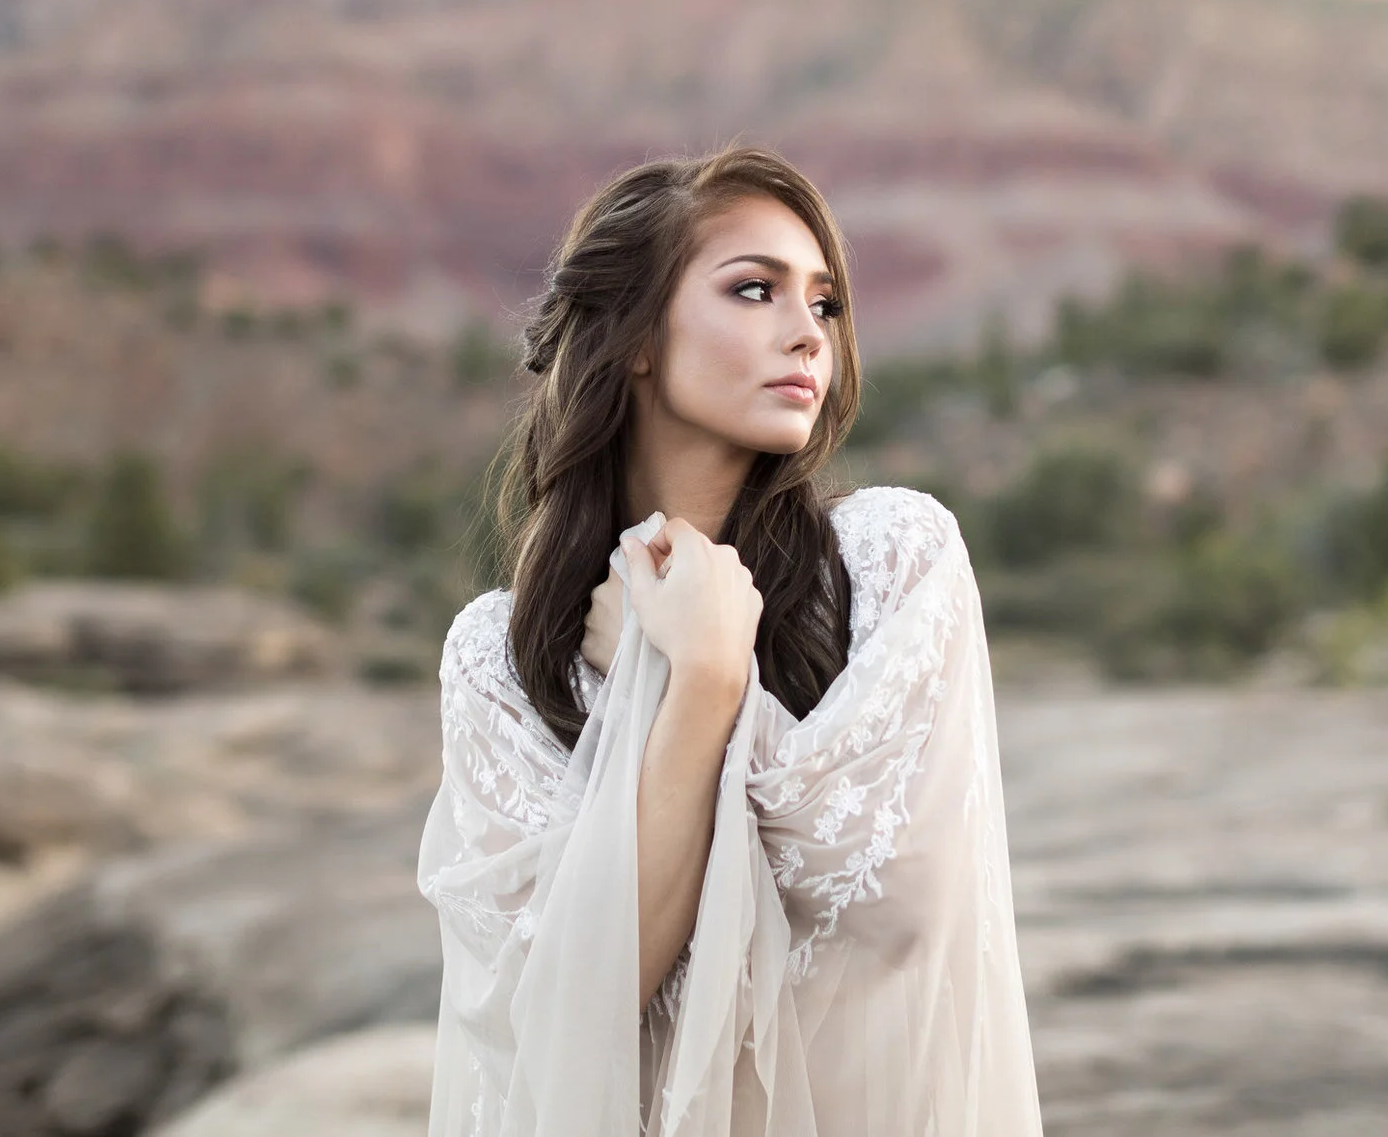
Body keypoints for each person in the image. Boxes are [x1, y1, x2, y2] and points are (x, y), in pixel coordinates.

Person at [417, 144, 1044, 1134]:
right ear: (632, 336)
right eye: (755, 290)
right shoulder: (495, 658)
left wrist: (689, 682)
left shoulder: (892, 561)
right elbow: (567, 1005)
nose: (807, 333)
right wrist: (698, 676)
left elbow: (896, 901)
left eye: (825, 303)